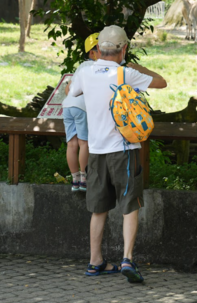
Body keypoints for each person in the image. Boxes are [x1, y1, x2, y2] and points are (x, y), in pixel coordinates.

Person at [68, 25, 167, 282]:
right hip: (124, 150)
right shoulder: (125, 73)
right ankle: (127, 259)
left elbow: (72, 92)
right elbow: (162, 82)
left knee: (98, 209)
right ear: (124, 49)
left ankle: (95, 262)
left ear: (98, 49)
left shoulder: (85, 71)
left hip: (96, 150)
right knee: (129, 206)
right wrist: (138, 69)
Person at [63, 33, 99, 192]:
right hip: (81, 107)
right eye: (101, 50)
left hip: (67, 106)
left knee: (71, 144)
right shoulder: (97, 67)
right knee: (84, 143)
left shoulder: (81, 66)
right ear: (92, 52)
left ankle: (74, 179)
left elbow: (67, 89)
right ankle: (84, 178)